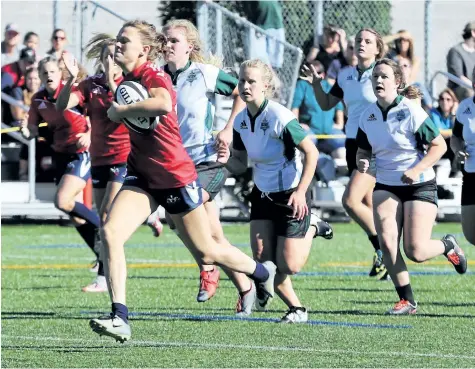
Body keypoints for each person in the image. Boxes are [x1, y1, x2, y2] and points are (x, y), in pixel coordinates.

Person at [88, 20, 277, 343]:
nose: (118, 44)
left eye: (124, 40)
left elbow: (162, 103)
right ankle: (120, 316)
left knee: (207, 251)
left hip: (175, 175)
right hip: (142, 174)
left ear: (144, 50)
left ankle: (262, 273)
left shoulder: (153, 75)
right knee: (109, 231)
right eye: (117, 39)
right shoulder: (130, 78)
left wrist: (122, 112)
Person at [149, 19, 258, 313]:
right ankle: (247, 285)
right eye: (165, 40)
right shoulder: (155, 78)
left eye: (174, 41)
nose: (167, 45)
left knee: (182, 217)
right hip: (173, 166)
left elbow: (241, 92)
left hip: (204, 161)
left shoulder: (203, 74)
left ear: (190, 47)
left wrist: (228, 129)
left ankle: (208, 269)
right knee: (212, 234)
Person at [223, 58, 333, 323]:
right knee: (263, 262)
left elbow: (312, 152)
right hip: (262, 193)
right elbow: (238, 164)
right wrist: (221, 157)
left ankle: (313, 226)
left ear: (265, 86)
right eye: (242, 81)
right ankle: (297, 309)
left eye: (251, 81)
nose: (245, 86)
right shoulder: (240, 121)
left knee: (289, 265)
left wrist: (301, 191)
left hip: (291, 193)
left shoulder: (279, 116)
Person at [356, 59, 467, 315]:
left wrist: (416, 170)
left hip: (419, 184)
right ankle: (407, 300)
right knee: (387, 243)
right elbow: (363, 150)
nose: (379, 81)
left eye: (384, 76)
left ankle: (448, 245)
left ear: (398, 82)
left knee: (415, 250)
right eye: (375, 77)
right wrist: (362, 160)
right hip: (385, 184)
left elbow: (439, 145)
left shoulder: (411, 111)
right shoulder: (367, 115)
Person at [302, 28, 388, 280]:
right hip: (353, 143)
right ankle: (389, 258)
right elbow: (327, 104)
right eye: (358, 41)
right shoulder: (346, 74)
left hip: (374, 144)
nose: (361, 44)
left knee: (350, 201)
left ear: (377, 49)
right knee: (371, 206)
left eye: (367, 41)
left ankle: (383, 248)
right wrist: (317, 84)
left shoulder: (381, 74)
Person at [56, 34, 131, 293]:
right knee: (102, 218)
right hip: (99, 157)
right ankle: (108, 268)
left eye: (115, 55)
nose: (111, 60)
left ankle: (104, 275)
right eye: (106, 55)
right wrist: (70, 80)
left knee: (109, 217)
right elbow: (62, 104)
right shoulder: (90, 84)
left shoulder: (130, 84)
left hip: (125, 156)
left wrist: (112, 82)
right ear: (100, 59)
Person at [19, 56, 102, 285]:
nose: (48, 76)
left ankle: (107, 231)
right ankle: (101, 253)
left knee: (63, 200)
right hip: (59, 155)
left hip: (81, 152)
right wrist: (28, 131)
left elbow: (96, 115)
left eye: (52, 71)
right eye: (44, 73)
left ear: (61, 73)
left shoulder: (74, 93)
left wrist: (88, 134)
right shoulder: (38, 100)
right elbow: (34, 129)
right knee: (75, 216)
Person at [291, 60, 345, 159]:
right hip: (310, 131)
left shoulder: (329, 87)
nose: (313, 76)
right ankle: (307, 172)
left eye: (317, 72)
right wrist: (297, 125)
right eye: (310, 73)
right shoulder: (302, 85)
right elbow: (295, 106)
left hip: (329, 131)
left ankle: (341, 173)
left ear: (323, 74)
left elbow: (339, 107)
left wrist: (340, 124)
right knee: (307, 142)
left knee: (341, 142)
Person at [451, 66, 475, 251]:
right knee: (471, 234)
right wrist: (458, 150)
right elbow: (456, 137)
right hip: (471, 173)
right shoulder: (465, 107)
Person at [242, 1, 286, 70]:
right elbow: (248, 9)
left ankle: (271, 78)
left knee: (274, 64)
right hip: (259, 27)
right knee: (260, 62)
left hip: (275, 25)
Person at [446, 22, 475, 101]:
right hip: (459, 89)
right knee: (470, 93)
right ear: (473, 33)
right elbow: (459, 77)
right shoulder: (455, 51)